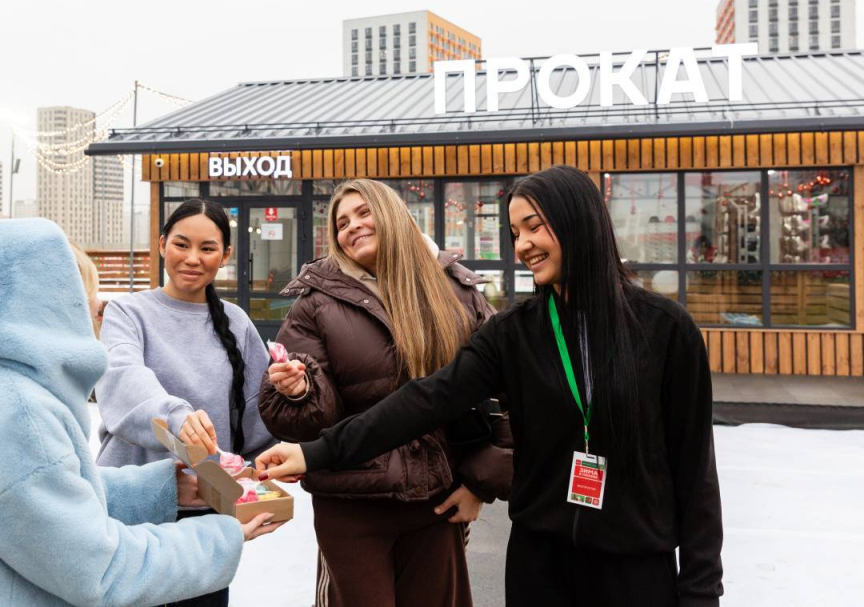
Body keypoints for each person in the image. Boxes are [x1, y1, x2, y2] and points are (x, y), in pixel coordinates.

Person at [257, 166, 724, 607]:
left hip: (635, 567)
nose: (524, 245)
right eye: (515, 233)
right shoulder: (514, 333)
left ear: (579, 221)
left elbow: (695, 470)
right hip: (541, 566)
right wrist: (315, 453)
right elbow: (423, 402)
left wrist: (701, 590)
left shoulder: (666, 330)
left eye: (534, 227)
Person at [0, 218, 279, 607]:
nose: (95, 306)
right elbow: (98, 569)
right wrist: (221, 537)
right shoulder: (18, 414)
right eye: (86, 294)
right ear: (50, 303)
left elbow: (40, 495)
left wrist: (161, 488)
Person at [259, 179, 512, 607]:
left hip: (437, 501)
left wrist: (479, 484)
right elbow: (294, 419)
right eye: (341, 223)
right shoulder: (315, 302)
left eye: (363, 213)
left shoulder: (454, 289)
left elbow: (508, 389)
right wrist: (300, 391)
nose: (352, 226)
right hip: (350, 505)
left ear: (394, 215)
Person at [94, 199, 275, 607]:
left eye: (207, 248)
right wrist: (176, 416)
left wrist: (293, 396)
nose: (193, 258)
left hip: (203, 516)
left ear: (225, 255)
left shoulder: (237, 322)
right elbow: (122, 378)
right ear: (162, 245)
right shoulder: (127, 311)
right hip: (130, 506)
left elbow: (259, 417)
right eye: (181, 244)